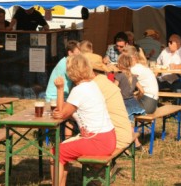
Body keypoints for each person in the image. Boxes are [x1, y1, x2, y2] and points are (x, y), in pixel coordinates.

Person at [52, 54, 116, 186]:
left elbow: (61, 114)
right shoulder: (92, 85)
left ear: (71, 72)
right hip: (108, 138)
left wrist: (59, 89)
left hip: (97, 141)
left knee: (56, 152)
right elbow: (67, 112)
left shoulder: (79, 90)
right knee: (62, 149)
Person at [116, 53, 147, 149]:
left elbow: (114, 89)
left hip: (123, 103)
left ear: (120, 64)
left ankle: (137, 143)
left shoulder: (119, 76)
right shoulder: (133, 76)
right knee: (130, 124)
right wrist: (137, 96)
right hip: (133, 103)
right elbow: (142, 91)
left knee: (127, 125)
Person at [123, 45, 159, 113]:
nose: (123, 60)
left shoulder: (134, 69)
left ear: (132, 57)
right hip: (152, 102)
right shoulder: (140, 66)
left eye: (124, 58)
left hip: (147, 103)